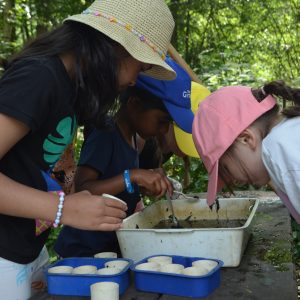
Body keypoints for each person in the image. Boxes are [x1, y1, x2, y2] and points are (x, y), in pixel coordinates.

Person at [0, 0, 176, 298]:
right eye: (140, 66)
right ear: (115, 46)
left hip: (28, 250)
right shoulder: (39, 76)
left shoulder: (68, 88)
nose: (136, 79)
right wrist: (62, 208)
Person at [54, 85, 174, 257]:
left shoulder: (133, 138)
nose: (164, 130)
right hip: (83, 249)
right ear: (134, 105)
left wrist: (141, 184)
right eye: (162, 121)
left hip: (109, 245)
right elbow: (82, 188)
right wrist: (133, 175)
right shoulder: (105, 133)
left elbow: (116, 183)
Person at [192, 81, 300, 223]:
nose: (232, 180)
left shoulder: (279, 148)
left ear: (246, 139)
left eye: (226, 169)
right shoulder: (288, 134)